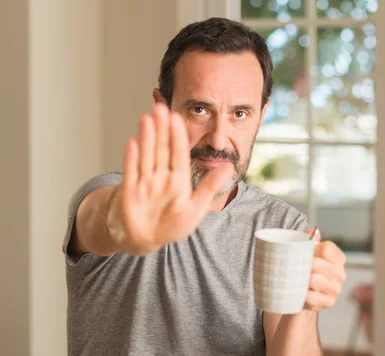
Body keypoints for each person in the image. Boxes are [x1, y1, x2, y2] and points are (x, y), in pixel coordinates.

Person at [63, 17, 346, 356]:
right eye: (199, 109)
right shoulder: (114, 196)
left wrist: (306, 304)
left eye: (240, 113)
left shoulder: (282, 228)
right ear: (162, 106)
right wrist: (123, 226)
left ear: (262, 114)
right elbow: (104, 219)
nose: (218, 139)